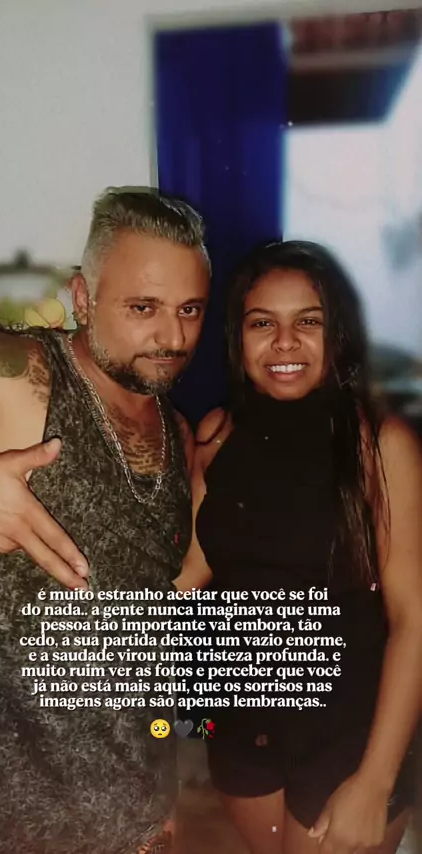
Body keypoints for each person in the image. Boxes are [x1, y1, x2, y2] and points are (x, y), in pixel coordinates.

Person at [0, 188, 210, 854]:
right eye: (143, 308)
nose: (173, 338)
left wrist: (162, 787)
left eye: (189, 310)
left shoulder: (177, 432)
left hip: (129, 817)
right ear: (83, 298)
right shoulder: (10, 378)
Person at [178, 241, 422, 854]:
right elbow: (192, 575)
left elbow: (414, 618)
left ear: (335, 333)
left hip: (350, 731)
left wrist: (376, 781)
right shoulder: (216, 434)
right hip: (243, 724)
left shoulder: (380, 444)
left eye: (307, 322)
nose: (284, 343)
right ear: (238, 338)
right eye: (263, 323)